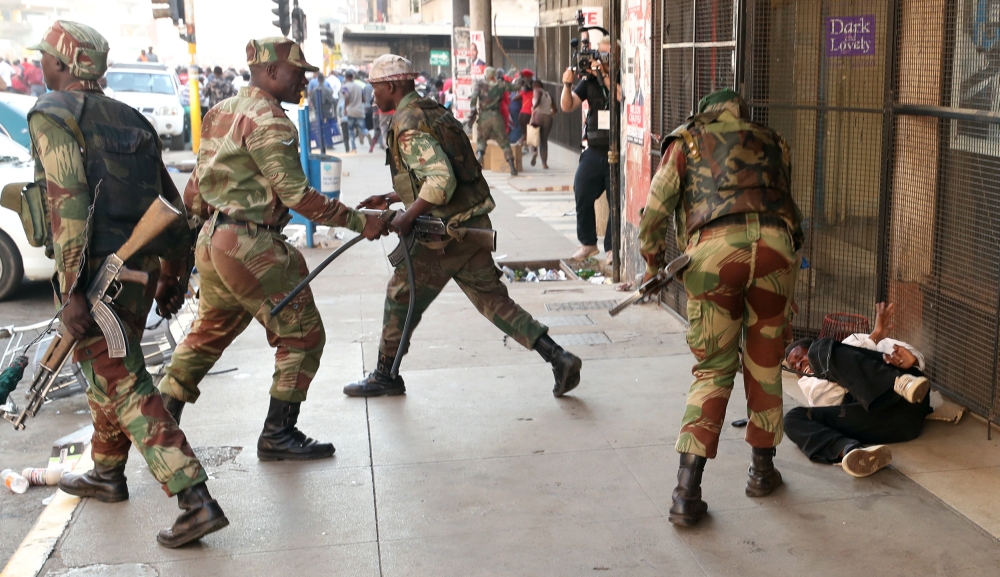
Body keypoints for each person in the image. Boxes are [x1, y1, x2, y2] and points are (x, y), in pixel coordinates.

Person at [25, 21, 227, 548]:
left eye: (47, 56)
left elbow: (66, 202)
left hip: (94, 275)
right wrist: (174, 272)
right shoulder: (133, 119)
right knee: (108, 372)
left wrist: (72, 290)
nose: (43, 64)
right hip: (136, 273)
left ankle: (194, 498)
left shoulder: (52, 112)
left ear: (65, 66)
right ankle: (107, 472)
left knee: (125, 384)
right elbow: (170, 203)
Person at [157, 38, 388, 460]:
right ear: (271, 72)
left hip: (213, 241)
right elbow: (298, 196)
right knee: (302, 337)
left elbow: (194, 191)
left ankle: (159, 425)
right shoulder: (273, 123)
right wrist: (360, 222)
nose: (303, 79)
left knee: (206, 335)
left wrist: (183, 256)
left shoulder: (219, 113)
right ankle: (278, 433)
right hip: (251, 245)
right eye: (297, 72)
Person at [343, 54, 582, 399]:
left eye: (376, 88)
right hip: (469, 226)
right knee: (494, 301)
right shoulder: (431, 111)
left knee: (400, 296)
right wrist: (395, 196)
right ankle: (558, 357)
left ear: (391, 86)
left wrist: (406, 218)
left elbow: (440, 180)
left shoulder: (408, 123)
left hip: (444, 235)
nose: (373, 96)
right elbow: (439, 171)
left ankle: (385, 375)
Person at [639, 89, 803, 527]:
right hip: (776, 250)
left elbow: (655, 212)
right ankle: (762, 471)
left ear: (705, 114)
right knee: (766, 360)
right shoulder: (773, 141)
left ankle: (686, 493)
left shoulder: (686, 141)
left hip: (714, 256)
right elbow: (792, 214)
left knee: (713, 368)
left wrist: (653, 264)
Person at [783, 303, 932, 477]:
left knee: (822, 351)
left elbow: (908, 354)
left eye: (800, 357)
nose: (799, 365)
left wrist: (911, 360)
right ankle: (850, 452)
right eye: (794, 366)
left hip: (907, 401)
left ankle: (900, 383)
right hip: (890, 424)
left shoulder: (849, 343)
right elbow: (830, 396)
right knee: (792, 418)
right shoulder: (812, 389)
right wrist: (871, 342)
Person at [560, 37, 618, 263]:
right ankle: (588, 243)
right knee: (581, 190)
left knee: (616, 201)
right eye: (598, 55)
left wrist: (604, 76)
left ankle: (613, 248)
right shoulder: (589, 81)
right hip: (594, 150)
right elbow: (567, 105)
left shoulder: (620, 78)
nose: (598, 61)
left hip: (616, 150)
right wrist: (567, 84)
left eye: (604, 56)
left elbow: (619, 95)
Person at [469, 67, 521, 176]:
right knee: (504, 142)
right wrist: (521, 78)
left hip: (484, 117)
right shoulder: (501, 84)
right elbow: (515, 87)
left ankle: (480, 156)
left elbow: (474, 96)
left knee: (481, 140)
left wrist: (473, 108)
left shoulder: (479, 84)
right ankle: (512, 166)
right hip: (497, 117)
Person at [530, 78, 555, 169]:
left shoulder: (537, 91)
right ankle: (544, 163)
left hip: (538, 116)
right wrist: (550, 112)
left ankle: (534, 151)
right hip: (547, 118)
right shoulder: (549, 95)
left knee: (532, 136)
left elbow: (537, 100)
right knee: (544, 141)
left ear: (535, 86)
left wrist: (533, 108)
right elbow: (555, 109)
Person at [341, 70, 368, 152]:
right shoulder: (359, 86)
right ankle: (367, 133)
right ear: (353, 77)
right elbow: (363, 99)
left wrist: (345, 108)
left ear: (346, 77)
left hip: (351, 111)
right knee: (362, 127)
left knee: (351, 130)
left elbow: (346, 97)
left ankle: (354, 148)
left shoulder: (345, 87)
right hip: (359, 110)